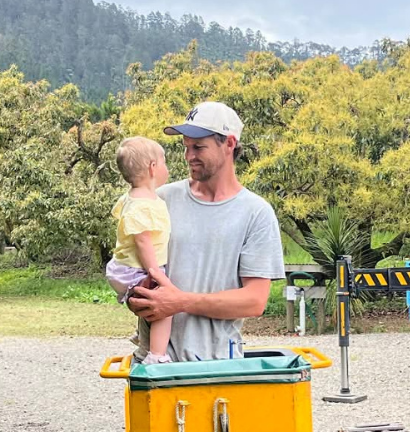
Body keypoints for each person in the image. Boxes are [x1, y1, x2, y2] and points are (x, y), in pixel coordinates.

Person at [129, 102, 285, 362]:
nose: (189, 155)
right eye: (186, 147)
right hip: (153, 366)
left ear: (229, 144)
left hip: (219, 367)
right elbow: (134, 269)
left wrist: (180, 302)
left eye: (199, 147)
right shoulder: (160, 200)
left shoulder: (256, 213)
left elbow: (254, 301)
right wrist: (135, 297)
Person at [106, 137, 172, 365]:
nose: (168, 168)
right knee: (164, 307)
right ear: (153, 168)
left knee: (150, 303)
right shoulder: (144, 205)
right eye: (164, 162)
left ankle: (142, 335)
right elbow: (143, 242)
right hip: (137, 269)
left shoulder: (133, 197)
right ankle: (156, 355)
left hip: (125, 267)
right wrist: (156, 273)